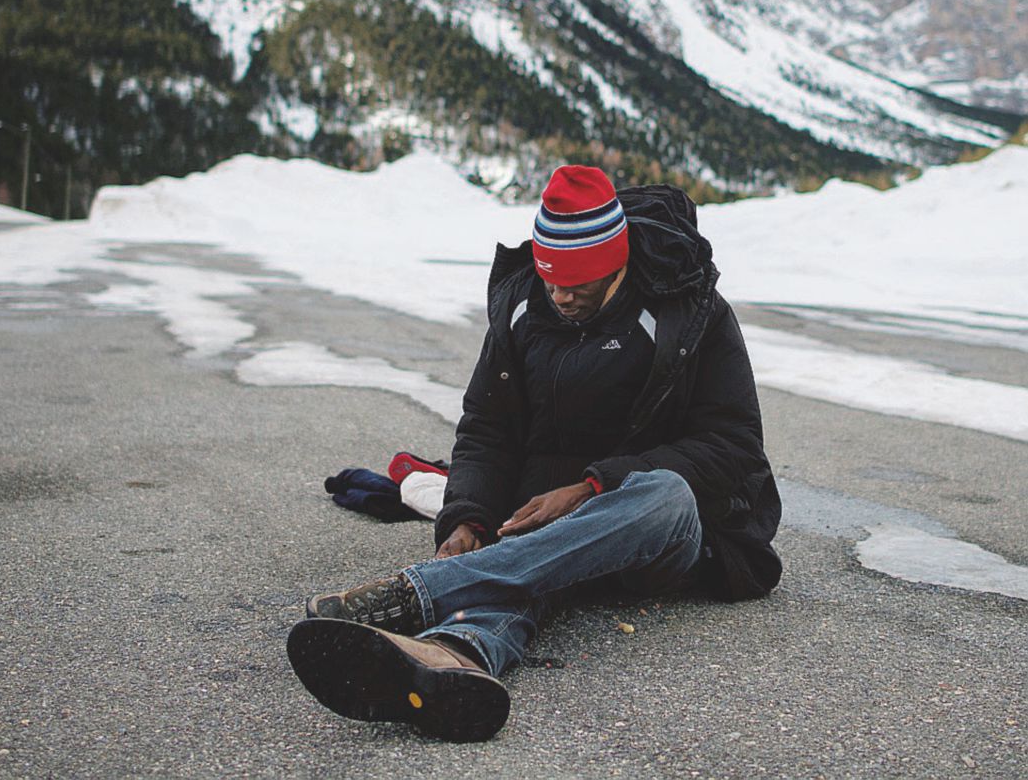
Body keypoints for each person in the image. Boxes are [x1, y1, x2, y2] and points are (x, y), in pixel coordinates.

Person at [287, 165, 782, 742]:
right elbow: (486, 428)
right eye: (551, 280)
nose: (561, 296)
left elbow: (734, 445)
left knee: (666, 494)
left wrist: (592, 487)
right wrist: (468, 515)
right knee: (524, 559)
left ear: (616, 263)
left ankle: (426, 591)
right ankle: (454, 657)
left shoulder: (689, 309)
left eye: (579, 284)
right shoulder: (523, 306)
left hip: (651, 536)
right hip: (539, 533)